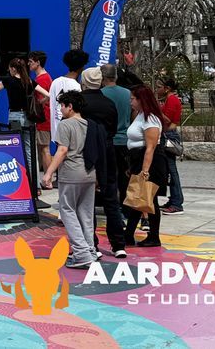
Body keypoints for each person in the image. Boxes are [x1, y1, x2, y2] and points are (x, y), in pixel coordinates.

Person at [42, 91, 99, 268]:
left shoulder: (66, 125)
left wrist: (48, 173)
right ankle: (90, 250)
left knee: (68, 211)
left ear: (70, 106)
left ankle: (81, 253)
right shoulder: (90, 124)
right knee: (86, 213)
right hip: (89, 173)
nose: (60, 109)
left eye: (62, 106)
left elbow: (62, 150)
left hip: (71, 173)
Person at [79, 67, 127, 258]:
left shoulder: (81, 103)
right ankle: (118, 243)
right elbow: (113, 129)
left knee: (86, 201)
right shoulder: (108, 104)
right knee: (111, 199)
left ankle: (92, 245)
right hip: (108, 150)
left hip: (86, 152)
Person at [124, 85, 168, 248]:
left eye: (133, 99)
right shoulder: (140, 115)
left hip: (150, 162)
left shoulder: (151, 118)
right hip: (138, 160)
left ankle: (152, 236)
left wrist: (145, 170)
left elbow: (151, 146)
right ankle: (129, 234)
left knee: (147, 198)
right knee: (139, 198)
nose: (131, 102)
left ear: (141, 99)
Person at [0, 57, 35, 188]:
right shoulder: (29, 82)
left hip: (15, 116)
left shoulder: (8, 81)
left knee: (15, 149)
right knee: (28, 149)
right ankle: (33, 183)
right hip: (28, 118)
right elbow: (46, 94)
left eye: (9, 68)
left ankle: (20, 182)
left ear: (13, 69)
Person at [100, 64, 132, 205]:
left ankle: (112, 204)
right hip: (125, 139)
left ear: (102, 77)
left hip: (109, 140)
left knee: (109, 175)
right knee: (125, 176)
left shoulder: (101, 94)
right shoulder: (127, 93)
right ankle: (125, 205)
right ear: (116, 76)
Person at [47, 50, 87, 158]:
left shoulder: (55, 82)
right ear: (81, 67)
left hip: (56, 133)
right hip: (72, 135)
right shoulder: (77, 87)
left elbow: (51, 104)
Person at [157, 77, 185, 215]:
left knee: (171, 170)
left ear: (166, 88)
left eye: (159, 87)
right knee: (169, 170)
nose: (157, 90)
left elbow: (167, 119)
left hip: (169, 135)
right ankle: (174, 199)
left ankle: (176, 202)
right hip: (168, 133)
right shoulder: (169, 99)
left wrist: (156, 110)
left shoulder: (172, 100)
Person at [27, 52, 53, 176]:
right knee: (42, 148)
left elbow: (45, 98)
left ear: (38, 62)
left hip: (43, 118)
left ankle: (47, 177)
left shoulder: (41, 79)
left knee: (44, 148)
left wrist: (37, 104)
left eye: (31, 61)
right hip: (45, 117)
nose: (29, 64)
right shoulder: (45, 77)